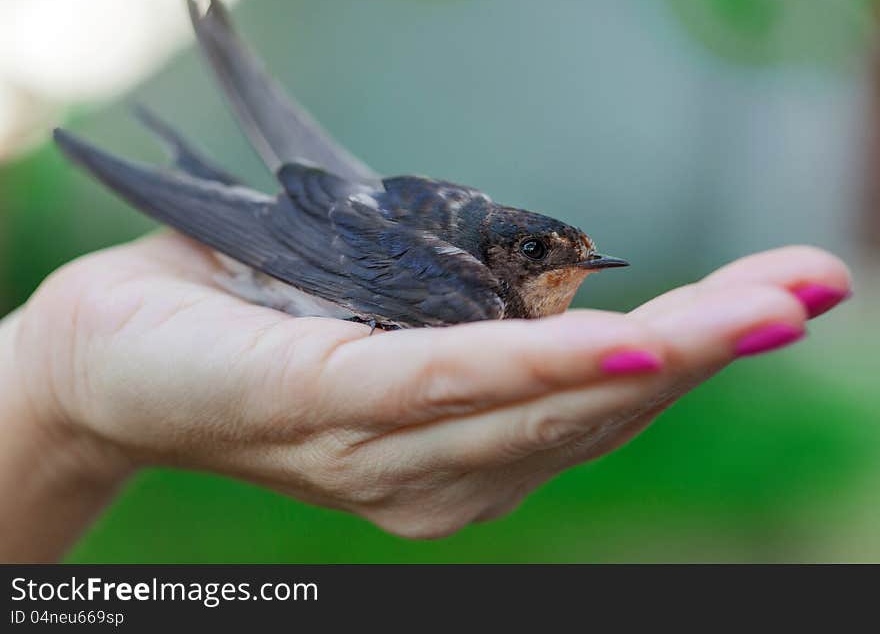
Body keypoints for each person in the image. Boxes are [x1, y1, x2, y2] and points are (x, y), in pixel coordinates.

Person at [0, 232, 851, 561]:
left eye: (579, 260)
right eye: (547, 258)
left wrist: (53, 386)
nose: (570, 274)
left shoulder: (487, 291)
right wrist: (55, 374)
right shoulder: (468, 289)